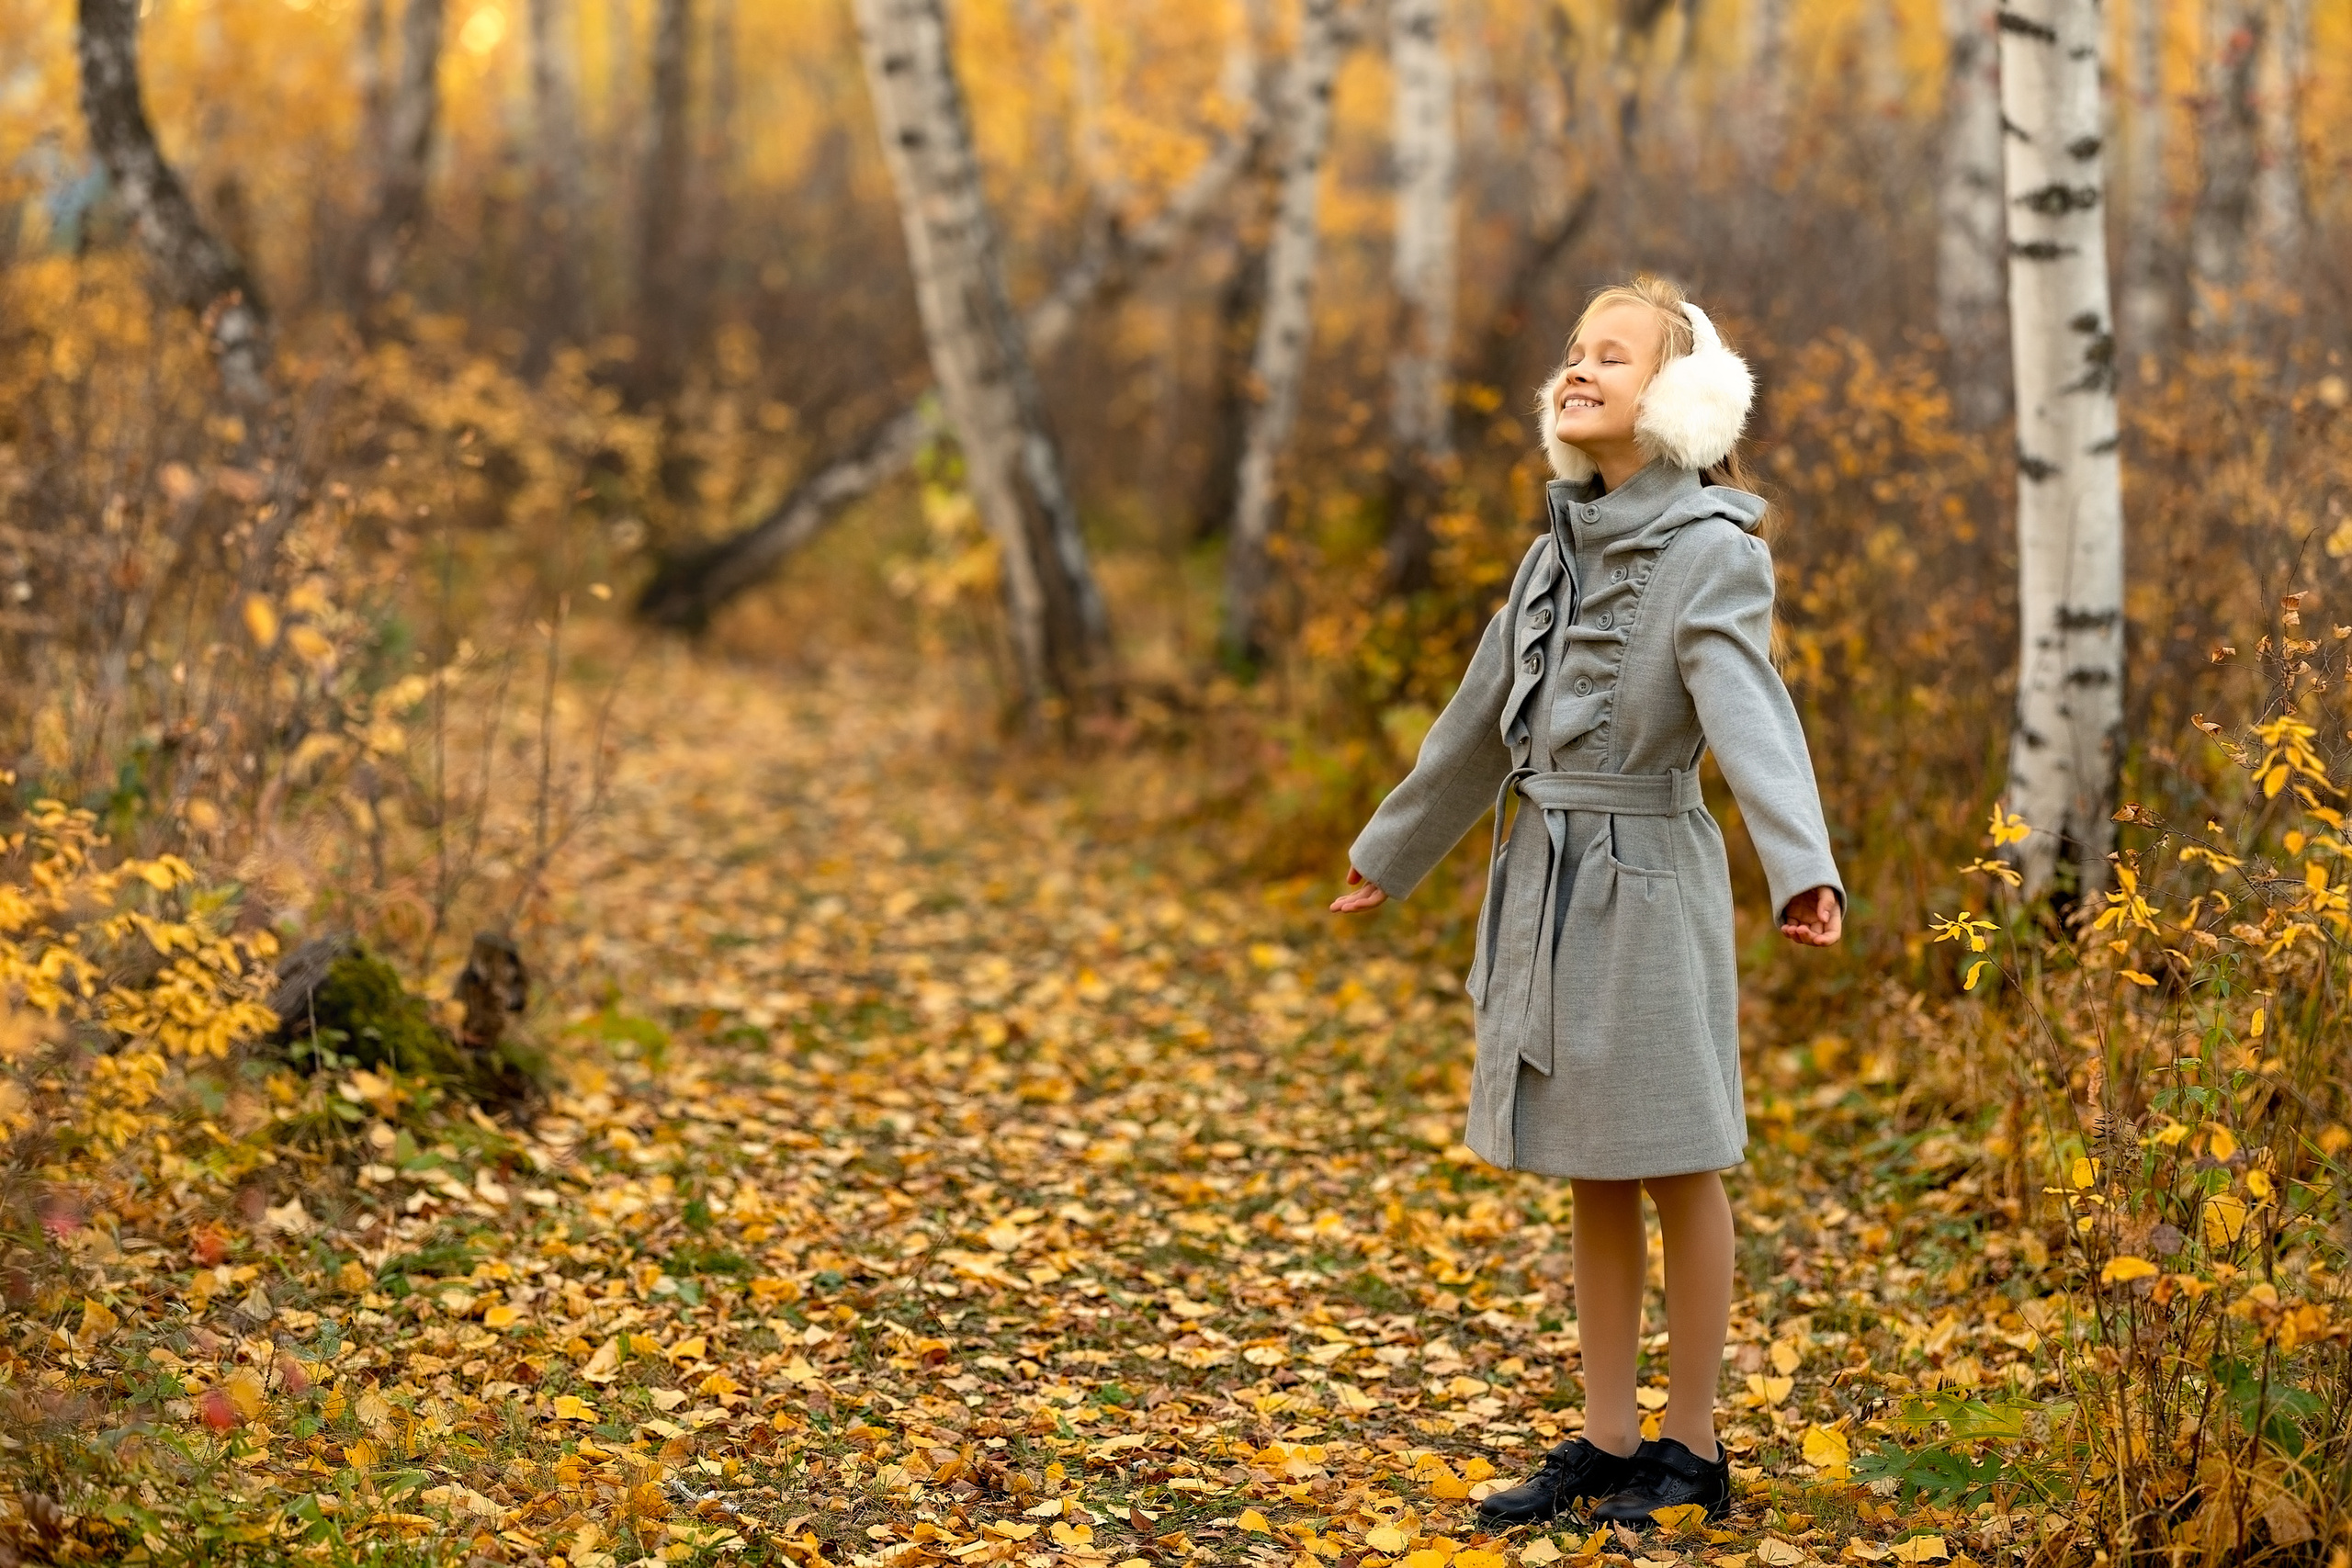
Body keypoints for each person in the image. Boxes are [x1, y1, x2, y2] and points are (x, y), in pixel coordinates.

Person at [1329, 276, 1844, 1527]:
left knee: (1678, 1158)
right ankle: (1609, 1440)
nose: (1580, 368)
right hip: (1550, 881)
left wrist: (1803, 865)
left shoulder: (1712, 550)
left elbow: (1750, 713)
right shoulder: (1551, 553)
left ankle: (1693, 1449)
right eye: (1574, 351)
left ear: (1677, 398)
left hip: (1651, 881)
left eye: (1614, 355)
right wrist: (1392, 850)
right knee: (1593, 1170)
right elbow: (1474, 726)